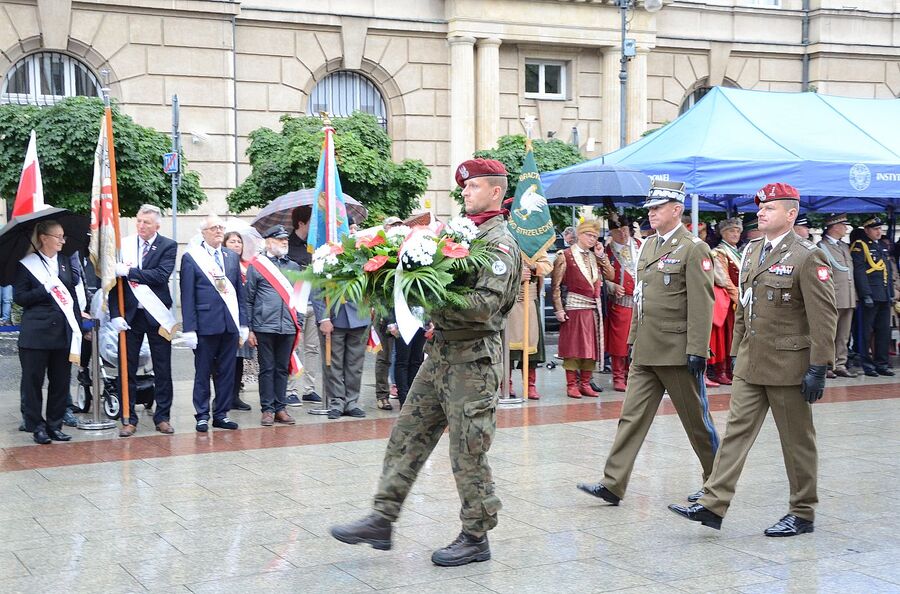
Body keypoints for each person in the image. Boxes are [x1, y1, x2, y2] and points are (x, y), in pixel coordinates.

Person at [329, 158, 521, 567]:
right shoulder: (459, 234)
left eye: (473, 187)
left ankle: (476, 535)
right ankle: (383, 517)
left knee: (468, 450)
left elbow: (487, 307)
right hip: (440, 357)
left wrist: (431, 295)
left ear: (496, 191)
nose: (465, 193)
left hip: (474, 361)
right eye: (464, 188)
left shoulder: (499, 244)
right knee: (407, 434)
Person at [669, 182, 837, 536]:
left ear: (791, 215)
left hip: (789, 366)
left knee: (797, 441)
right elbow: (746, 306)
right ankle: (714, 504)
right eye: (760, 208)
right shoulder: (752, 250)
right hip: (751, 361)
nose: (761, 212)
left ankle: (803, 512)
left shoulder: (808, 256)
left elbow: (824, 317)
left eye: (770, 208)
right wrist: (735, 352)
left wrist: (819, 366)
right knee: (735, 434)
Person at [576, 180, 718, 506]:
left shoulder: (694, 248)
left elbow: (701, 303)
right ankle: (613, 482)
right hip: (646, 350)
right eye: (650, 208)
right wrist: (632, 340)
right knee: (631, 418)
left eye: (657, 207)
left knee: (697, 423)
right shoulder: (650, 246)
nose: (651, 213)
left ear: (676, 210)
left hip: (678, 352)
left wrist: (697, 349)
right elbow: (642, 298)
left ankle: (717, 483)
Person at [109, 204, 178, 437]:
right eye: (139, 221)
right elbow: (113, 284)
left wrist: (130, 272)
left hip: (157, 315)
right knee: (125, 368)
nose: (141, 226)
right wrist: (115, 314)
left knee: (162, 367)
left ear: (157, 225)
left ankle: (163, 417)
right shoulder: (125, 245)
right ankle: (128, 418)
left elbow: (160, 275)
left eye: (146, 222)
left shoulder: (168, 245)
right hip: (130, 315)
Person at [180, 214, 248, 432]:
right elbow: (187, 295)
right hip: (205, 325)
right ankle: (201, 415)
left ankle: (222, 413)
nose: (218, 231)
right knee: (203, 372)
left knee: (227, 372)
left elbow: (239, 293)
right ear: (203, 232)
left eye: (221, 227)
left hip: (229, 324)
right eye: (213, 228)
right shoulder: (192, 257)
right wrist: (189, 328)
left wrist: (243, 324)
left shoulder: (230, 256)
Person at [16, 220, 82, 444]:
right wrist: (44, 289)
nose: (62, 240)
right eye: (58, 236)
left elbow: (71, 297)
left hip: (62, 333)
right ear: (44, 238)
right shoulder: (27, 264)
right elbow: (20, 298)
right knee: (33, 382)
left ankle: (55, 425)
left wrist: (79, 327)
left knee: (61, 381)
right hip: (36, 334)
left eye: (63, 236)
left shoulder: (64, 263)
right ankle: (37, 426)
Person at [245, 225, 301, 427]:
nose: (285, 241)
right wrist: (250, 328)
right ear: (268, 241)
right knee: (267, 369)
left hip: (287, 326)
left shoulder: (293, 267)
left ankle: (281, 408)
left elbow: (299, 299)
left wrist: (299, 324)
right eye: (279, 239)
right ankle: (267, 409)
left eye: (286, 239)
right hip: (264, 326)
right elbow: (249, 299)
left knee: (282, 369)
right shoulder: (257, 266)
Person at [551, 219, 613, 398]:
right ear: (579, 234)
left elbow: (611, 275)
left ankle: (585, 383)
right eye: (589, 235)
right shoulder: (565, 255)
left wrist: (602, 256)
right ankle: (571, 385)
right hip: (573, 307)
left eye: (595, 236)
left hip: (592, 309)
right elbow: (555, 286)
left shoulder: (595, 257)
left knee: (590, 349)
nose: (593, 239)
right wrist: (559, 309)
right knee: (573, 348)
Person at [313, 292, 371, 420]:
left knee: (355, 364)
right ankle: (337, 402)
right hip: (333, 317)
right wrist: (324, 318)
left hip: (359, 315)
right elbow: (316, 287)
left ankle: (352, 402)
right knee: (333, 364)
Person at [851, 217, 896, 377]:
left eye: (880, 228)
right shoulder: (860, 246)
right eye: (875, 229)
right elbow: (859, 271)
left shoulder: (881, 246)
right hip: (870, 296)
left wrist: (890, 293)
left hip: (884, 295)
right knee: (865, 332)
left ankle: (881, 363)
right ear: (867, 230)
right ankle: (867, 364)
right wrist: (866, 294)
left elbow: (888, 272)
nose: (879, 232)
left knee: (884, 331)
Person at [286, 205, 322, 405]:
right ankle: (290, 389)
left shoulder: (316, 245)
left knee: (312, 348)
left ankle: (309, 388)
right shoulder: (288, 245)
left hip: (314, 303)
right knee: (294, 347)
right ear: (301, 223)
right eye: (311, 222)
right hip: (295, 304)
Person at [818, 214, 858, 379]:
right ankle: (826, 365)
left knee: (843, 334)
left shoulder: (843, 246)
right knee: (829, 334)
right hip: (833, 296)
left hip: (848, 297)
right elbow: (822, 274)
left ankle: (840, 364)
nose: (846, 228)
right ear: (834, 227)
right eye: (843, 225)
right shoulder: (822, 246)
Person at [604, 215, 641, 392]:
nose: (622, 234)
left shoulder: (640, 246)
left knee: (639, 340)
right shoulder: (606, 252)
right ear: (611, 232)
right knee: (620, 341)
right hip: (621, 302)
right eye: (618, 231)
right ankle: (618, 376)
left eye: (625, 230)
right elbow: (599, 277)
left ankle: (632, 374)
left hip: (641, 302)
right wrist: (611, 286)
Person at [508, 250, 552, 400]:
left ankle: (530, 385)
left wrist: (533, 266)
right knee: (507, 348)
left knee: (532, 348)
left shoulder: (535, 243)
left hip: (530, 301)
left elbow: (547, 265)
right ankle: (505, 384)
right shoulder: (505, 240)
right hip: (510, 302)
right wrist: (518, 276)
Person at [708, 216, 742, 386]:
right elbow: (723, 279)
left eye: (737, 230)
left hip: (740, 299)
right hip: (730, 302)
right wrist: (739, 297)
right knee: (727, 338)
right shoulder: (719, 252)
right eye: (731, 231)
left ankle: (734, 369)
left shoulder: (739, 252)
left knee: (737, 337)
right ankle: (722, 370)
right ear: (722, 233)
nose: (735, 234)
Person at [374, 215, 403, 410]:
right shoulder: (378, 251)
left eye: (400, 226)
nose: (397, 229)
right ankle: (382, 394)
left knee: (403, 356)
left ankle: (403, 390)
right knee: (384, 356)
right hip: (384, 310)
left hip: (402, 311)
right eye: (393, 226)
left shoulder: (404, 250)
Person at [224, 230, 255, 411]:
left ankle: (235, 395)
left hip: (242, 316)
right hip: (226, 315)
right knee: (224, 359)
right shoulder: (221, 264)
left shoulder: (248, 265)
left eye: (239, 242)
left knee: (239, 359)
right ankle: (223, 396)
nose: (236, 245)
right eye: (232, 242)